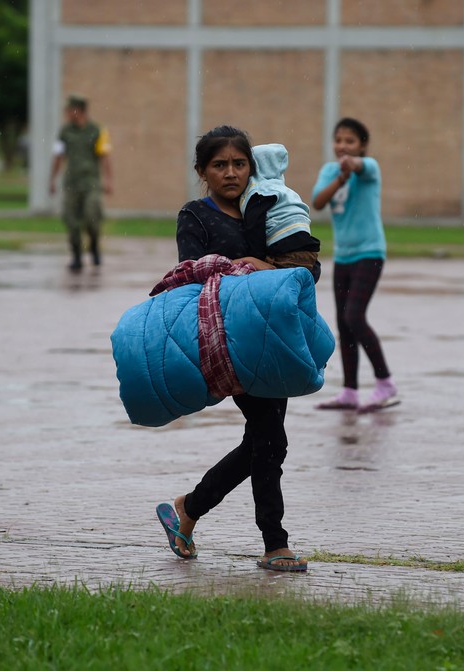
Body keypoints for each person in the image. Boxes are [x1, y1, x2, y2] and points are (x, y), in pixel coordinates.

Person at [155, 125, 308, 572]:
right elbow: (192, 272)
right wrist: (251, 266)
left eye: (239, 163)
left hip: (270, 339)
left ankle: (189, 508)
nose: (231, 173)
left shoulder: (262, 208)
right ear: (202, 170)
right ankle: (274, 542)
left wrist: (284, 264)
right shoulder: (195, 215)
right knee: (269, 438)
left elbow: (290, 261)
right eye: (219, 165)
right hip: (226, 339)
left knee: (267, 441)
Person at [311, 117, 398, 413]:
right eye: (338, 140)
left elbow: (362, 167)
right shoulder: (329, 171)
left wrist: (353, 166)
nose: (342, 146)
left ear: (362, 145)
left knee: (355, 317)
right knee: (343, 324)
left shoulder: (370, 168)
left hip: (369, 253)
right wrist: (339, 178)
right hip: (344, 257)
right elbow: (318, 203)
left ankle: (385, 383)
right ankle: (349, 391)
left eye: (350, 141)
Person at [48, 94, 112, 272]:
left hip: (91, 182)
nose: (67, 113)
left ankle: (93, 246)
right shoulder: (65, 131)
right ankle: (76, 256)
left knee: (92, 216)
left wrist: (108, 180)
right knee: (71, 219)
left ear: (79, 110)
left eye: (69, 109)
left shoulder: (97, 130)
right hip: (71, 183)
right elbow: (58, 156)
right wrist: (52, 179)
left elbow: (105, 157)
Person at [240, 143, 321, 278]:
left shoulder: (260, 191)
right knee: (300, 282)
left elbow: (254, 226)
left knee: (279, 285)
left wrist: (256, 258)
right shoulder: (286, 191)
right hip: (308, 250)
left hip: (284, 248)